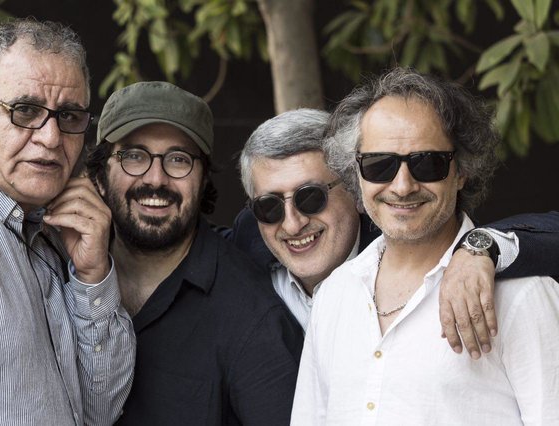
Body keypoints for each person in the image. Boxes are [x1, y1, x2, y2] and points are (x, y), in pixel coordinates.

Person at [291, 67, 559, 423]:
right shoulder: (334, 294)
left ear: (461, 171)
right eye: (379, 165)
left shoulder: (522, 296)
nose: (403, 186)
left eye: (428, 164)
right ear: (356, 172)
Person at [0, 19, 135, 425]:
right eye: (26, 110)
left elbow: (98, 412)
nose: (51, 138)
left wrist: (92, 276)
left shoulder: (41, 229)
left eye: (68, 116)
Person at [234, 108, 559, 357]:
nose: (292, 223)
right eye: (269, 206)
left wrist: (479, 248)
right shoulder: (247, 243)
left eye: (311, 197)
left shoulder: (407, 236)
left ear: (356, 187)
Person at [85, 81, 304, 425]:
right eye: (134, 156)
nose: (155, 179)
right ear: (100, 176)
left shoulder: (251, 314)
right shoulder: (60, 273)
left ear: (203, 181)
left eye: (178, 159)